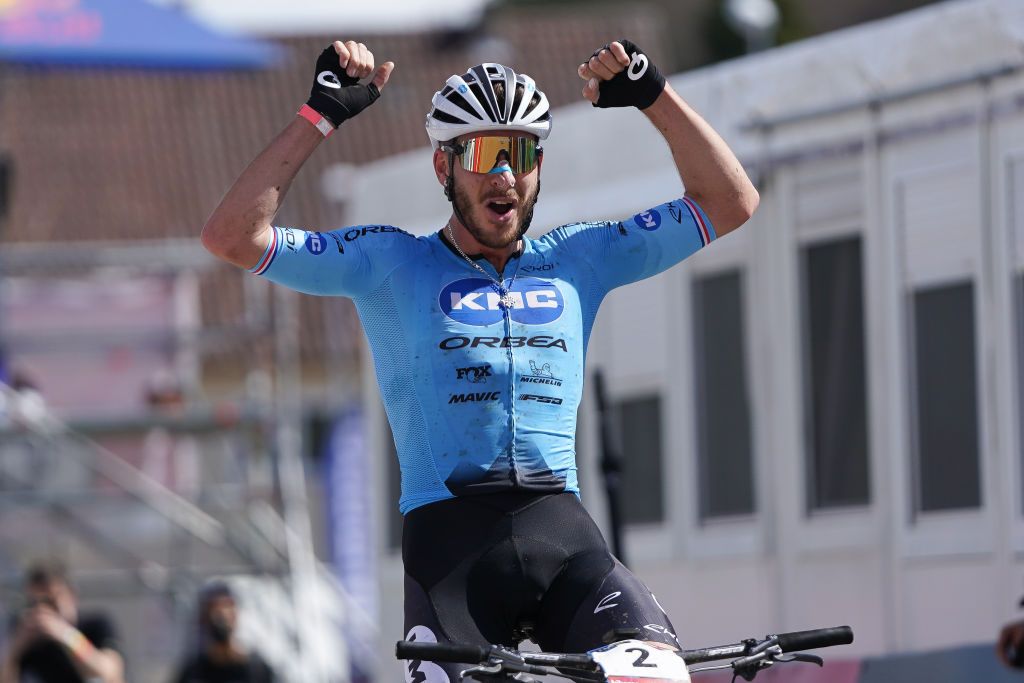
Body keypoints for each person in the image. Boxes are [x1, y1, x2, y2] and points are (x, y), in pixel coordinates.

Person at [201, 38, 758, 681]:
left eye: (521, 154)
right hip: (451, 557)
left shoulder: (579, 259)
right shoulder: (389, 262)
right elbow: (232, 236)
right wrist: (319, 116)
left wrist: (653, 96)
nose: (504, 176)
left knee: (659, 675)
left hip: (566, 541)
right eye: (485, 153)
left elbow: (730, 202)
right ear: (444, 167)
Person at [1, 560, 125, 683]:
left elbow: (109, 674)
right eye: (34, 603)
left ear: (71, 596)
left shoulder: (95, 624)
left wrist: (66, 635)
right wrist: (16, 648)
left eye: (51, 602)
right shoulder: (27, 637)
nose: (43, 610)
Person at [172, 582, 276, 683]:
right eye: (216, 612)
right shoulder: (193, 672)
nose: (222, 619)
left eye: (228, 611)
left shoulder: (256, 670)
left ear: (236, 617)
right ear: (204, 619)